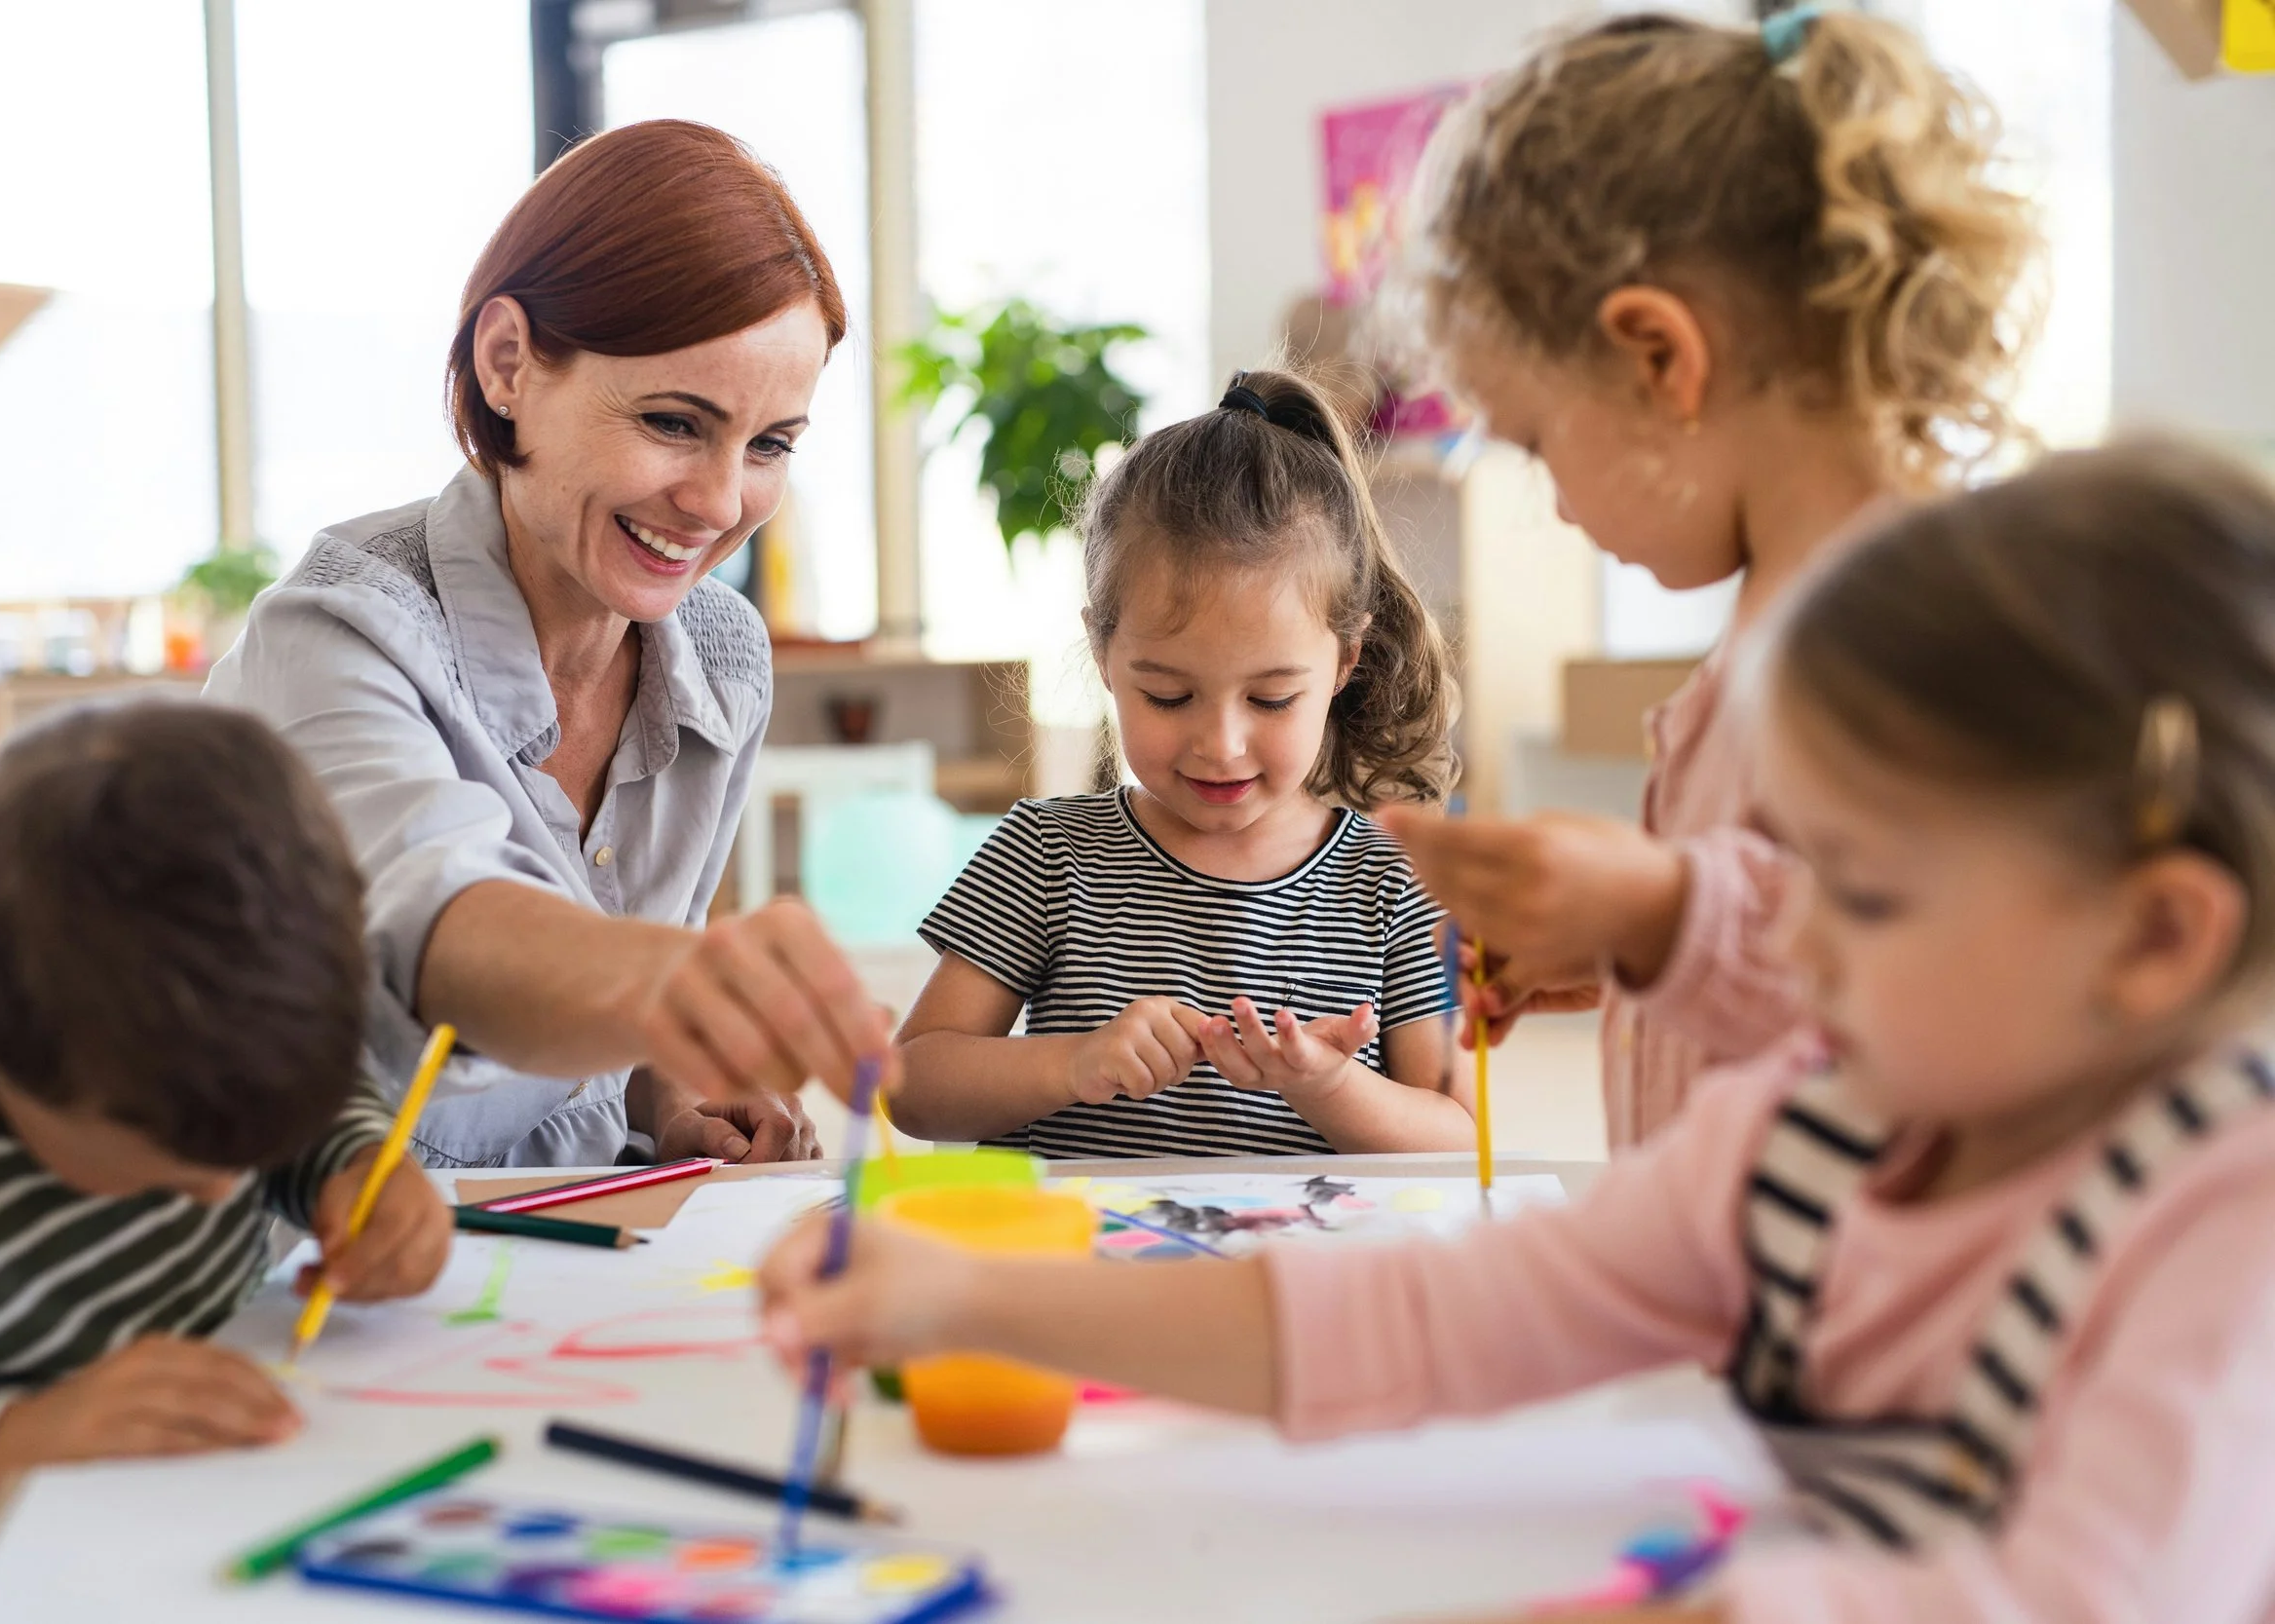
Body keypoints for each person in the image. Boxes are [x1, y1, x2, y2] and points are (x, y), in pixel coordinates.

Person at [764, 442, 2275, 1621]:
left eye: (1861, 893)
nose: (1784, 939)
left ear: (2153, 935)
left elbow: (2063, 1597)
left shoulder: (2230, 1223)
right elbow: (1431, 1318)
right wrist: (964, 1299)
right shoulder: (1807, 1130)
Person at [1375, 8, 2041, 1146]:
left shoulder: (1928, 633)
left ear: (1658, 358)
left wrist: (1664, 909)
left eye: (1535, 442)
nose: (1556, 502)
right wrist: (1639, 955)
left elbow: (1976, 992)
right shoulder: (1778, 622)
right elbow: (1799, 940)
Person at [208, 120, 888, 1170]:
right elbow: (448, 933)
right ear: (508, 363)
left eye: (769, 444)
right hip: (322, 1263)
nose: (717, 502)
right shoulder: (336, 635)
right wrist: (686, 989)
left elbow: (624, 1003)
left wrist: (678, 1097)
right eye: (672, 421)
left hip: (565, 1255)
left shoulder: (722, 657)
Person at [0, 704, 453, 1619]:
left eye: (247, 1153)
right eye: (166, 1167)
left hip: (230, 1507)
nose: (220, 1193)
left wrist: (352, 1158)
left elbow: (287, 1094)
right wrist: (14, 1444)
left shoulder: (194, 998)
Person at [890, 370, 1471, 1157]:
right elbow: (911, 1086)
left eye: (1270, 700)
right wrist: (1073, 1061)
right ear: (1103, 653)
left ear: (1344, 662)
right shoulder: (1046, 853)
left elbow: (1458, 1136)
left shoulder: (1398, 881)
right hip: (1081, 1273)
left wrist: (1327, 1085)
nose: (1221, 744)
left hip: (1296, 1276)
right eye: (1167, 695)